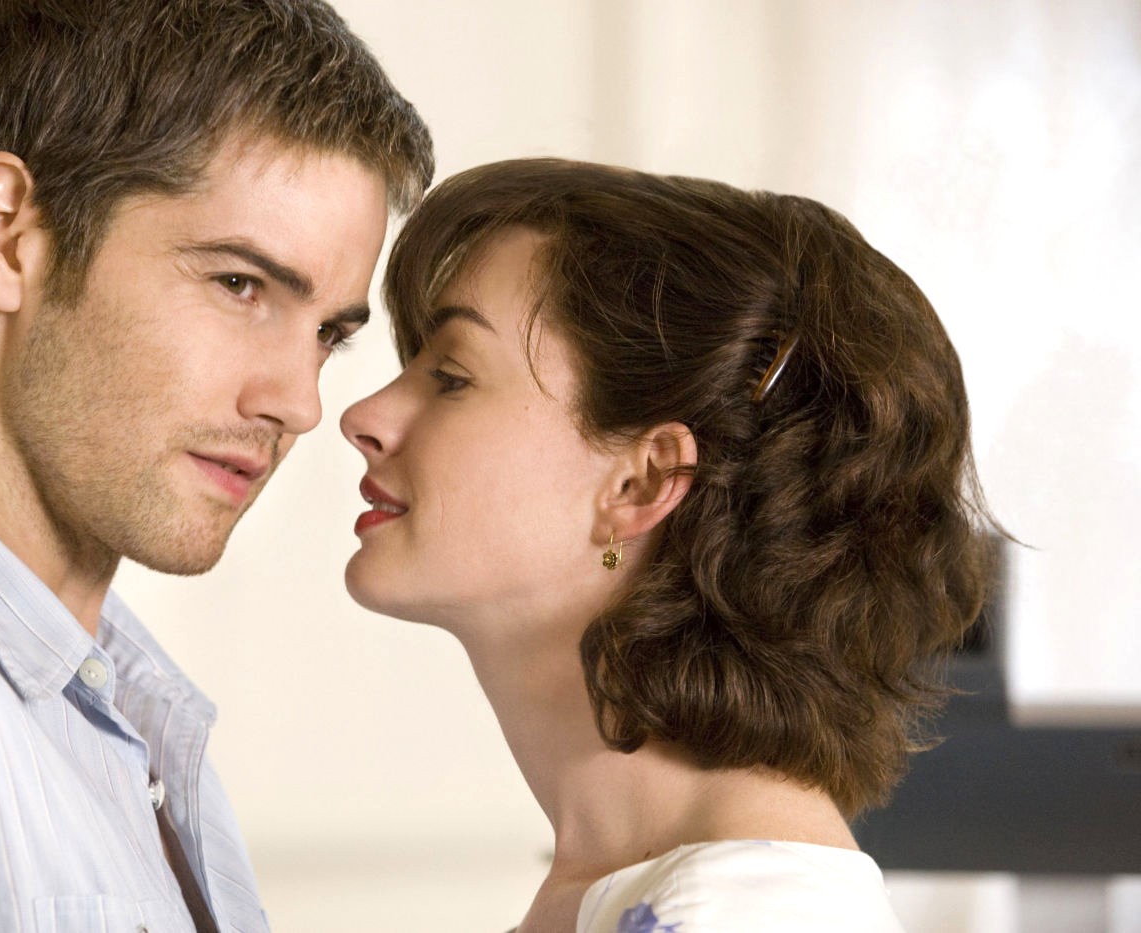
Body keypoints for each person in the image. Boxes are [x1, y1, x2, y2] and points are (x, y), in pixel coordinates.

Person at [0, 1, 431, 929]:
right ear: (6, 233)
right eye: (239, 284)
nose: (298, 404)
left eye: (326, 336)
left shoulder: (115, 702)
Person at [341, 159, 992, 932]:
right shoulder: (644, 895)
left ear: (642, 483)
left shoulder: (736, 915)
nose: (364, 414)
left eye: (451, 376)